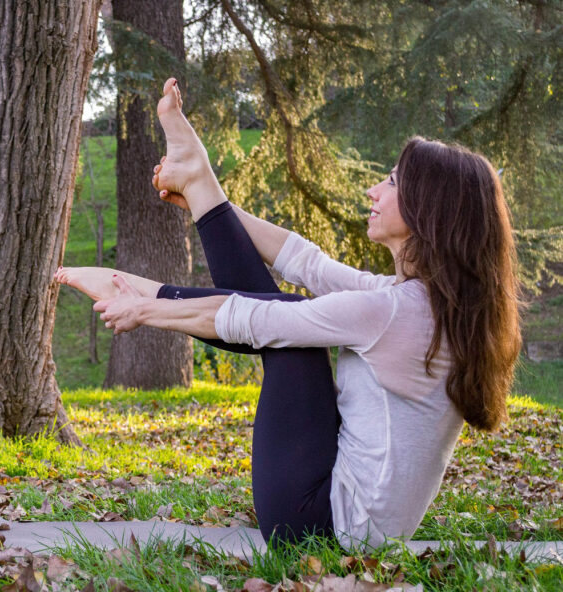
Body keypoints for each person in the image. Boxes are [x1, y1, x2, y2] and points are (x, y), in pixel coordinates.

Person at [55, 78, 521, 548]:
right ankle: (193, 187)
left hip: (317, 525)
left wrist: (146, 308)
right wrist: (209, 202)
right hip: (347, 520)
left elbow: (260, 319)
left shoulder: (395, 312)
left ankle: (145, 280)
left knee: (291, 333)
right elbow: (308, 263)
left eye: (392, 182)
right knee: (290, 319)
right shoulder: (421, 306)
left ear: (429, 211)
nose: (372, 191)